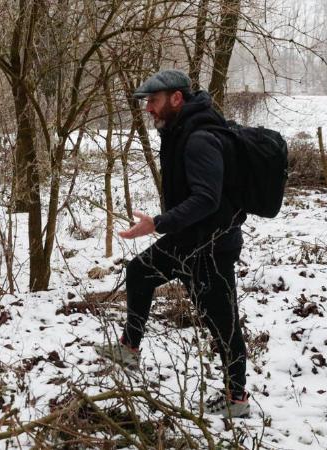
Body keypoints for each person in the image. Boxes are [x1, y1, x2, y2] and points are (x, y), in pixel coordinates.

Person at [94, 70, 250, 418]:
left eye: (154, 100)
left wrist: (159, 223)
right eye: (147, 101)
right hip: (188, 239)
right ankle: (129, 348)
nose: (148, 107)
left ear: (176, 98)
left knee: (221, 322)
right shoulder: (179, 130)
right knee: (139, 271)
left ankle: (236, 398)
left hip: (212, 246)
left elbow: (207, 199)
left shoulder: (199, 138)